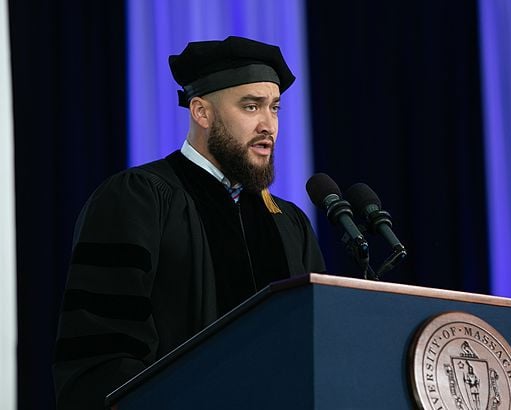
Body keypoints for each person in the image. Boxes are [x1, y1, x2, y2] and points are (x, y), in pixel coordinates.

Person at [52, 35, 326, 409]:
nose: (269, 125)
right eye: (251, 107)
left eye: (275, 108)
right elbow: (105, 351)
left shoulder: (288, 223)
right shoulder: (139, 198)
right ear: (201, 112)